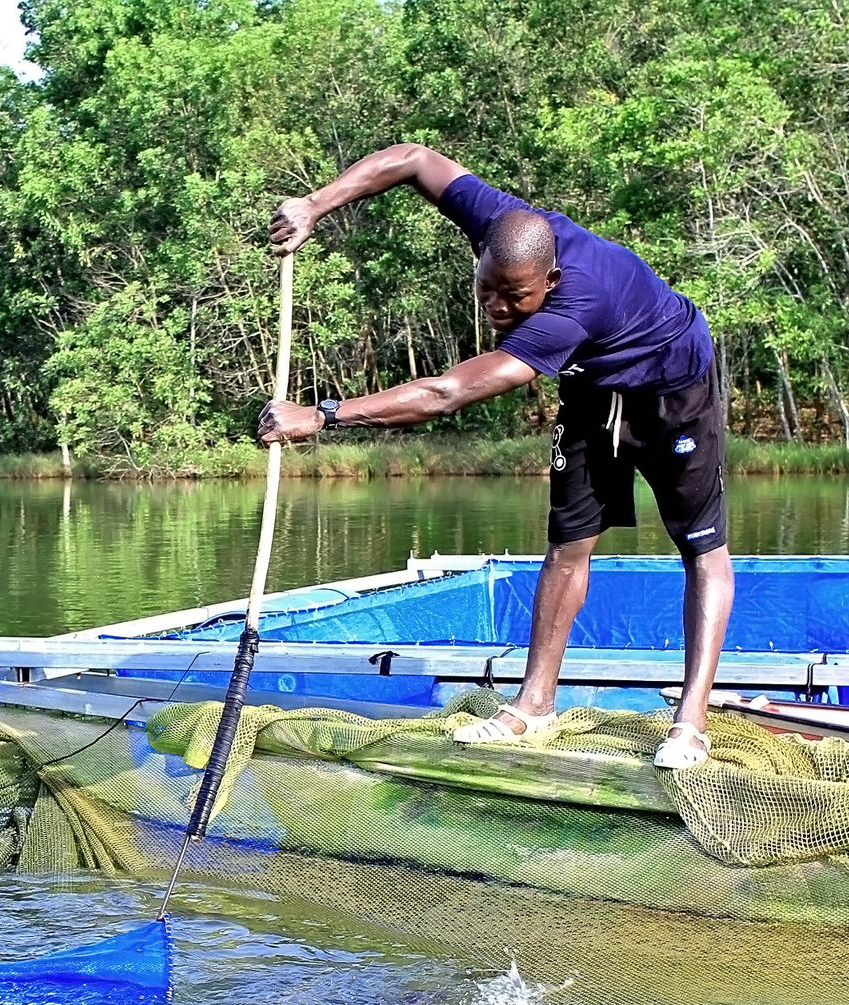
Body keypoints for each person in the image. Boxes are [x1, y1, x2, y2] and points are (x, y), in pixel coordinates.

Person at [257, 143, 734, 770]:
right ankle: (535, 705)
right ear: (482, 254)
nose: (499, 309)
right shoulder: (503, 225)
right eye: (488, 291)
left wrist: (323, 415)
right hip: (593, 391)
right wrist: (315, 205)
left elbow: (445, 394)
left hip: (673, 390)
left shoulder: (574, 308)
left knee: (701, 548)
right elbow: (413, 159)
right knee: (568, 543)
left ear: (551, 283)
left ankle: (691, 724)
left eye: (516, 297)